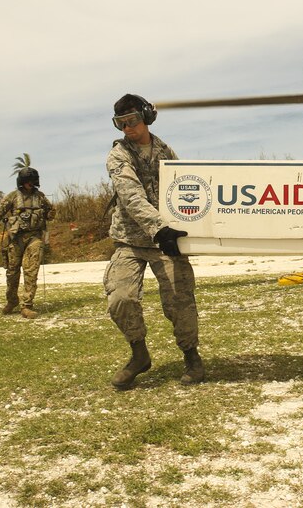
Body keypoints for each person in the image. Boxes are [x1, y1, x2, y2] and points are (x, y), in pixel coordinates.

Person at [104, 93, 203, 390]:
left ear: (146, 116)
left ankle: (191, 356)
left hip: (165, 241)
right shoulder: (118, 155)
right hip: (131, 241)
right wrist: (159, 228)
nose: (127, 128)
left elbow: (186, 189)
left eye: (131, 121)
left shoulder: (166, 152)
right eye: (120, 123)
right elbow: (131, 196)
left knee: (179, 298)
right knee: (120, 298)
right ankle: (139, 355)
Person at [0, 166, 54, 319]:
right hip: (15, 239)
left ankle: (27, 305)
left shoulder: (40, 197)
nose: (30, 184)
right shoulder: (12, 197)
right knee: (12, 273)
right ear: (22, 182)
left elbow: (51, 211)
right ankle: (12, 301)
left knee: (31, 272)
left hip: (34, 238)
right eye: (28, 182)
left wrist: (50, 213)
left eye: (33, 181)